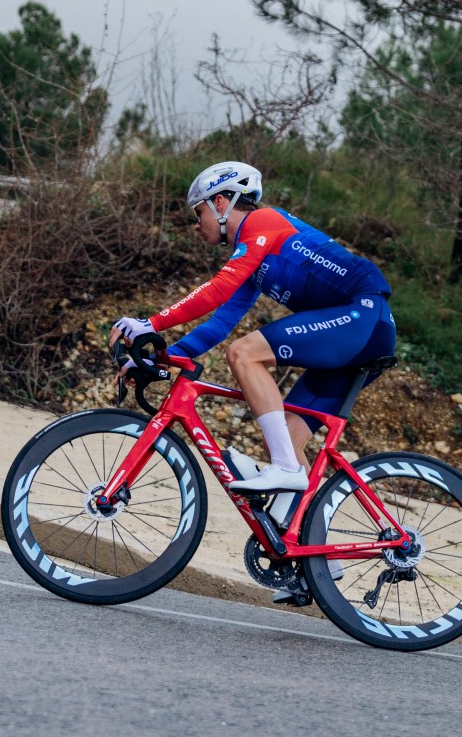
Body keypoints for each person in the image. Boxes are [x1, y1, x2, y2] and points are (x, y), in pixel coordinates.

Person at [109, 161, 396, 493]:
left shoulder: (263, 222)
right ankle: (298, 537)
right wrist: (162, 357)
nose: (195, 225)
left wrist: (150, 323)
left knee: (244, 354)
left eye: (196, 213)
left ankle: (286, 470)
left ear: (220, 203)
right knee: (284, 440)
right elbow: (219, 324)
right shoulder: (254, 255)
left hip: (363, 318)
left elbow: (217, 290)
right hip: (353, 333)